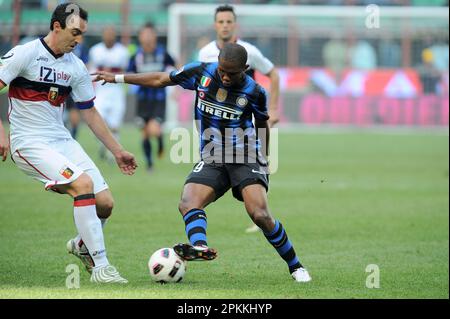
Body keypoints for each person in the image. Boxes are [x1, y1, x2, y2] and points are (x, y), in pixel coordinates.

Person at [94, 43, 311, 282]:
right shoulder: (201, 72)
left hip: (245, 156)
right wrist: (117, 78)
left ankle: (296, 266)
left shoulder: (255, 91)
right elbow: (160, 79)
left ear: (245, 69)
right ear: (216, 62)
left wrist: (265, 160)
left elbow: (261, 125)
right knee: (188, 202)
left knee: (259, 215)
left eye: (233, 72)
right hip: (213, 157)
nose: (226, 77)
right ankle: (199, 247)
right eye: (222, 70)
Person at [0, 3, 137, 283]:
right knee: (83, 185)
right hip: (28, 142)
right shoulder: (25, 54)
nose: (78, 39)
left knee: (105, 204)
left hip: (61, 140)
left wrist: (118, 150)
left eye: (82, 34)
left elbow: (90, 112)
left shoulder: (76, 66)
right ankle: (101, 267)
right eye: (75, 32)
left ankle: (81, 245)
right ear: (57, 26)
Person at [198, 4, 280, 233]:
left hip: (247, 117)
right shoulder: (205, 53)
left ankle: (262, 211)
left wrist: (273, 107)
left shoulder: (249, 51)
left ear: (235, 24)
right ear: (215, 25)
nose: (225, 26)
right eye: (221, 22)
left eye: (229, 22)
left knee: (258, 158)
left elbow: (273, 74)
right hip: (219, 120)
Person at [127, 23, 176, 172]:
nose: (147, 37)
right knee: (145, 133)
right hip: (142, 99)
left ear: (154, 36)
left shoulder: (163, 53)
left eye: (150, 34)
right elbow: (129, 73)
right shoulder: (136, 56)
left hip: (158, 98)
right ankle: (149, 164)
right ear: (140, 37)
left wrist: (175, 86)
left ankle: (160, 140)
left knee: (154, 130)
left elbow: (174, 67)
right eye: (144, 34)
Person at [88, 26, 130, 162]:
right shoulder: (95, 50)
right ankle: (103, 144)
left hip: (116, 92)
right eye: (107, 34)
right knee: (98, 121)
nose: (109, 37)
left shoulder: (122, 52)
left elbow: (125, 70)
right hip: (100, 92)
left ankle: (113, 154)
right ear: (103, 35)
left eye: (111, 34)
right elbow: (91, 69)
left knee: (115, 125)